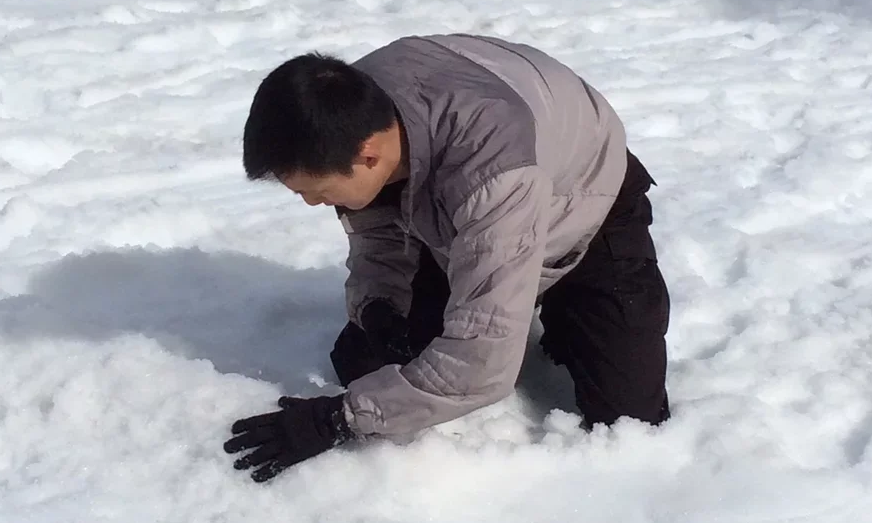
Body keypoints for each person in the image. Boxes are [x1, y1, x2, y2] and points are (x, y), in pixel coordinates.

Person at [223, 33, 671, 483]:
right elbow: (377, 222)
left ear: (368, 155)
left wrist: (339, 420)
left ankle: (567, 307)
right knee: (365, 359)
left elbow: (482, 365)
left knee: (629, 422)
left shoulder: (491, 171)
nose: (311, 203)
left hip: (583, 207)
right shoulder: (345, 111)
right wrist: (380, 306)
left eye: (314, 192)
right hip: (470, 210)